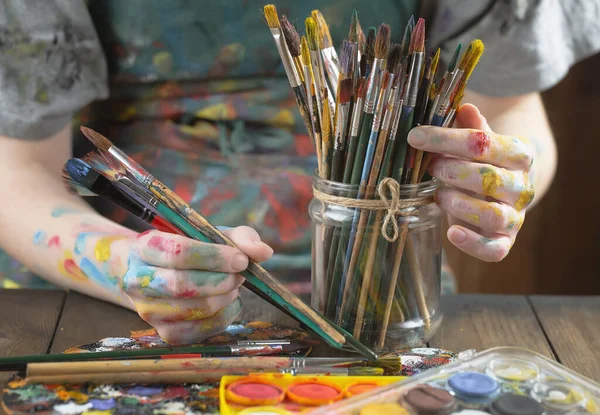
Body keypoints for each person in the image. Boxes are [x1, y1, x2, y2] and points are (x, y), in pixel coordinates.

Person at [0, 0, 597, 344]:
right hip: (126, 299)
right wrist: (126, 266)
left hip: (388, 305)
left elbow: (509, 115)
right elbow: (18, 166)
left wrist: (490, 177)